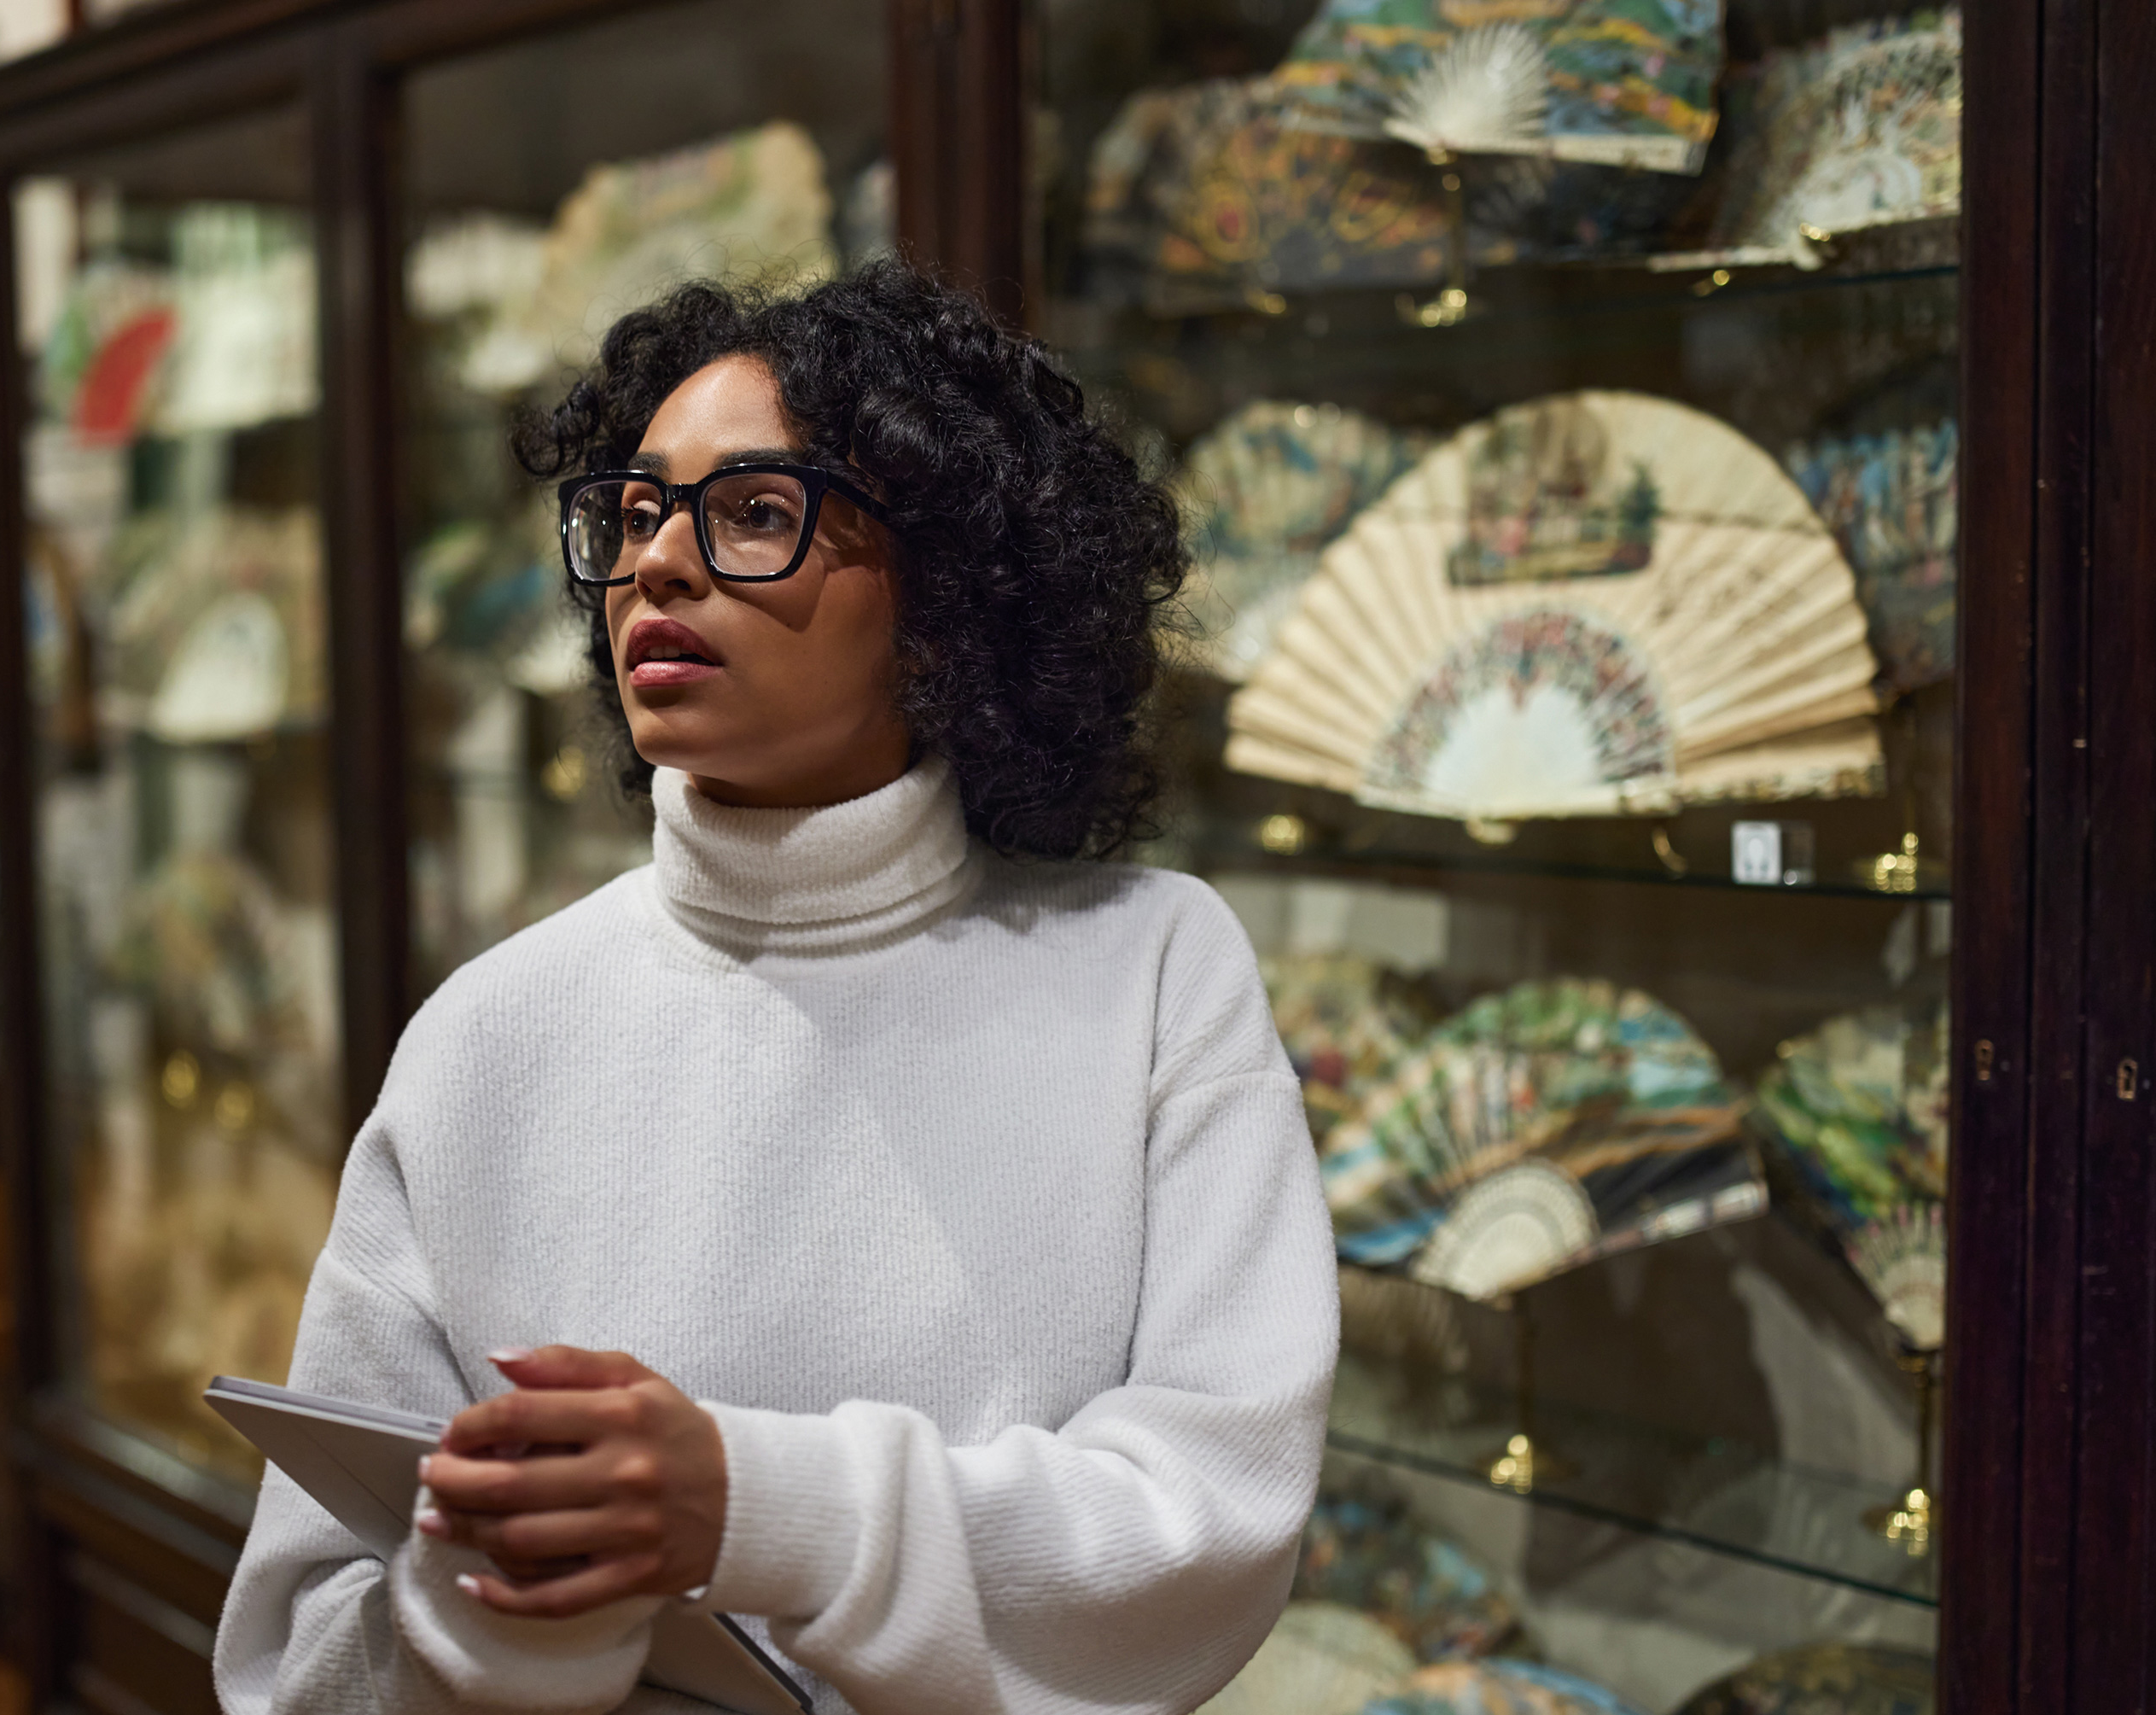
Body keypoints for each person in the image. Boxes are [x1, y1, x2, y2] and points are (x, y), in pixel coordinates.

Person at [213, 260, 1337, 1715]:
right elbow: (295, 1648)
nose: (659, 565)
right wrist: (517, 1614)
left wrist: (750, 1506)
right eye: (635, 513)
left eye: (753, 511)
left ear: (947, 599)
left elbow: (1208, 1520)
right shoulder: (488, 1034)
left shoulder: (1153, 971)